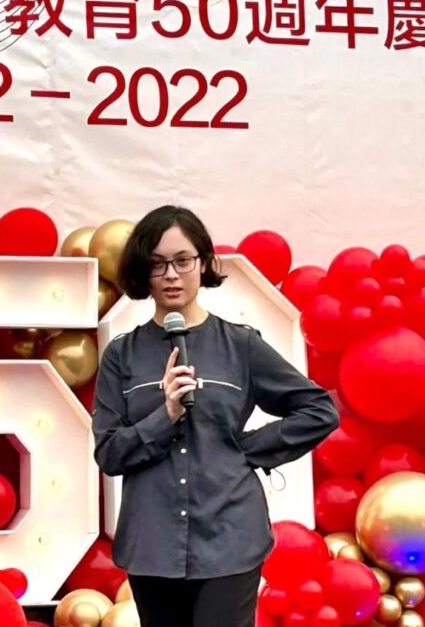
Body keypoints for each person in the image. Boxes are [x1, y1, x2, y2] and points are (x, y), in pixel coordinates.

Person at [91, 205, 339, 627]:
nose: (171, 274)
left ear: (203, 263)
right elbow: (110, 453)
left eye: (182, 260)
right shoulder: (122, 354)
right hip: (152, 542)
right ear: (142, 271)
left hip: (230, 534)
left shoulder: (240, 345)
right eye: (157, 263)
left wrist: (247, 450)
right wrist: (165, 414)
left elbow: (319, 410)